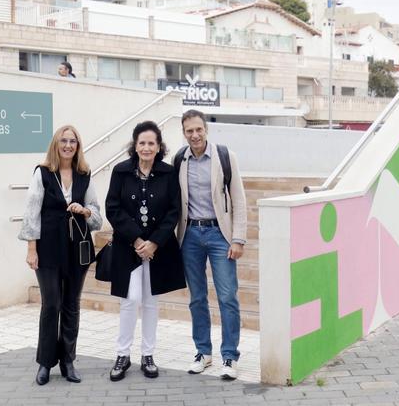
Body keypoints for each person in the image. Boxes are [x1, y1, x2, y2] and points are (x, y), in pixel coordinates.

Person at [18, 125, 102, 385]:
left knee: (71, 304)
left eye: (73, 141)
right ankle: (45, 362)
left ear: (78, 146)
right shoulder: (42, 173)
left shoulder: (84, 175)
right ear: (56, 144)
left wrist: (85, 211)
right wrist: (31, 248)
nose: (68, 145)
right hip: (48, 248)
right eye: (64, 141)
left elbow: (97, 216)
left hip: (78, 249)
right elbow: (31, 212)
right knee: (51, 303)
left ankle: (68, 360)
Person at [105, 120, 185, 381]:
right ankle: (122, 354)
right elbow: (113, 208)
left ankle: (148, 355)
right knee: (130, 300)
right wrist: (137, 240)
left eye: (151, 143)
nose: (147, 147)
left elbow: (174, 211)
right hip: (129, 247)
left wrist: (154, 243)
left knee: (151, 302)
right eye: (142, 143)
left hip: (158, 248)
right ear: (135, 145)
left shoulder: (168, 173)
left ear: (159, 146)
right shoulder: (120, 171)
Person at [174, 109, 247, 380]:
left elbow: (239, 199)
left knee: (228, 296)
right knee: (197, 298)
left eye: (198, 130)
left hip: (219, 235)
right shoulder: (179, 160)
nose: (195, 135)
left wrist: (238, 238)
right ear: (184, 133)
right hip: (190, 235)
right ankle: (203, 353)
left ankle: (230, 356)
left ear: (206, 130)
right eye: (189, 131)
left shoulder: (225, 157)